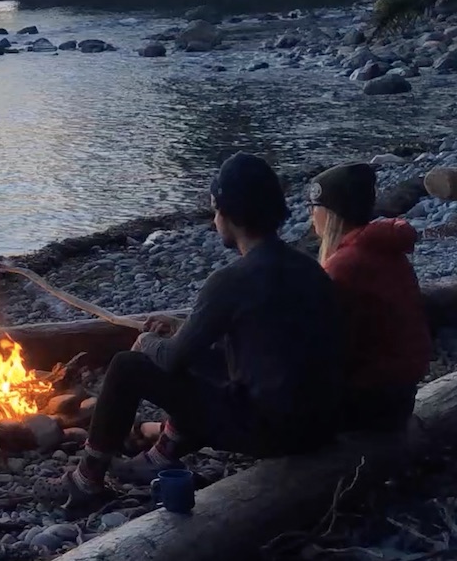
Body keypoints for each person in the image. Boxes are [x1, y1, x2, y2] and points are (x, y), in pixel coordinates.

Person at [40, 153, 346, 517]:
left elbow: (172, 359)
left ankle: (86, 481)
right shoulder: (309, 269)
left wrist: (148, 342)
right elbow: (262, 344)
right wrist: (183, 331)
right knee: (199, 359)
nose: (214, 218)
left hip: (272, 433)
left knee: (128, 366)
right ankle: (161, 455)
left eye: (215, 209)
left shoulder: (232, 281)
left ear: (229, 214)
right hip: (322, 424)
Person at [309, 162, 431, 430]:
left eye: (315, 207)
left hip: (372, 399)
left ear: (331, 214)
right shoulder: (386, 250)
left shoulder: (344, 264)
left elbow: (332, 344)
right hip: (402, 390)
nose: (310, 216)